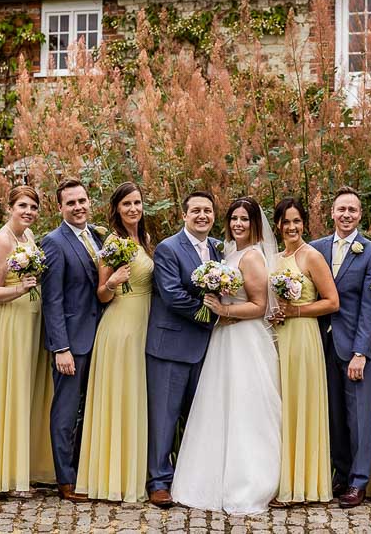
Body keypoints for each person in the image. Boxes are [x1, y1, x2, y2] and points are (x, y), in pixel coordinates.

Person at [172, 197, 281, 514]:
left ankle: (248, 482)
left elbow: (260, 306)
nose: (238, 224)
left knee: (246, 409)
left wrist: (224, 309)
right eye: (234, 218)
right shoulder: (227, 253)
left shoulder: (252, 257)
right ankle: (212, 479)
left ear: (255, 223)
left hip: (245, 340)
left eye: (245, 219)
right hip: (223, 339)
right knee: (219, 407)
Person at [0, 185, 55, 496]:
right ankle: (5, 475)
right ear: (10, 207)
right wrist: (21, 289)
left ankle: (24, 469)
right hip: (12, 321)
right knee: (13, 391)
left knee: (28, 392)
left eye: (33, 207)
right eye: (22, 205)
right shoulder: (2, 240)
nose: (28, 212)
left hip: (32, 320)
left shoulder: (29, 238)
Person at [76, 182, 154, 502]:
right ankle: (112, 476)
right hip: (121, 326)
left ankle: (138, 471)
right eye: (126, 205)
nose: (133, 209)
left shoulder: (146, 240)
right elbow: (102, 293)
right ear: (117, 210)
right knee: (120, 397)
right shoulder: (112, 242)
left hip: (146, 324)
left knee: (137, 398)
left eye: (137, 203)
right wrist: (112, 280)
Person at [144, 191, 222, 508]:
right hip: (170, 346)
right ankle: (159, 482)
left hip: (205, 350)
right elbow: (172, 294)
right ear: (184, 214)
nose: (202, 215)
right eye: (196, 211)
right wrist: (210, 315)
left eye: (207, 210)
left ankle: (192, 479)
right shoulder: (168, 248)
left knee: (198, 418)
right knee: (164, 417)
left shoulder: (218, 248)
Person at [309, 186, 371, 508]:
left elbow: (370, 307)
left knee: (359, 418)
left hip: (354, 347)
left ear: (360, 215)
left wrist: (361, 353)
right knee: (334, 415)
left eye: (352, 210)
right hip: (320, 343)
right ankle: (340, 474)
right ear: (332, 212)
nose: (346, 215)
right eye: (341, 209)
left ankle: (359, 481)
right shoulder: (315, 248)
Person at [270, 197, 339, 506]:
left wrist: (297, 311)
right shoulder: (272, 258)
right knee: (279, 409)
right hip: (277, 339)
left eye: (297, 221)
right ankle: (278, 478)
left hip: (303, 337)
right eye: (286, 221)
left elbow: (332, 301)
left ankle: (304, 484)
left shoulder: (311, 256)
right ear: (278, 225)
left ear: (304, 223)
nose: (292, 226)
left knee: (302, 406)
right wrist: (273, 314)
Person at [41, 179, 105, 503]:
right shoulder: (53, 242)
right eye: (71, 203)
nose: (78, 207)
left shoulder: (97, 237)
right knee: (65, 412)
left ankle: (85, 471)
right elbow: (51, 300)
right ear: (60, 207)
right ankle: (65, 480)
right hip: (72, 342)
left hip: (100, 339)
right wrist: (60, 347)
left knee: (92, 410)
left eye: (82, 200)